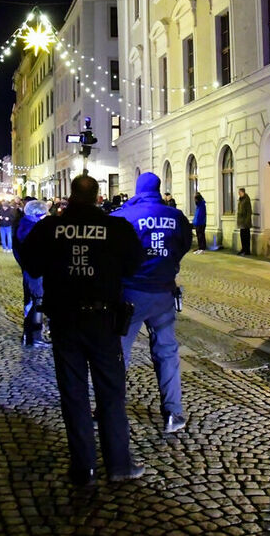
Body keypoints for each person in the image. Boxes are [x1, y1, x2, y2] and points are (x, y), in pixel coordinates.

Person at [21, 174, 146, 485]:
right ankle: (118, 463)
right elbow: (134, 265)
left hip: (65, 320)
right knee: (111, 393)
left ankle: (84, 468)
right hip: (103, 320)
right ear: (97, 196)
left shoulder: (49, 228)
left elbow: (31, 264)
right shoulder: (116, 228)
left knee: (73, 393)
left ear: (71, 197)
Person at [112, 173, 193, 434]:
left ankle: (110, 410)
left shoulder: (125, 215)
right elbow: (183, 245)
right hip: (164, 292)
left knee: (117, 353)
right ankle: (172, 413)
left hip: (131, 293)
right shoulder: (176, 216)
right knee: (167, 352)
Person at [13, 200, 49, 347]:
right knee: (37, 302)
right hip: (35, 271)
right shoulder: (33, 230)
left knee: (31, 302)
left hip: (29, 270)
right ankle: (34, 336)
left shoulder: (23, 226)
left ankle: (30, 335)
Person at [237, 188, 252, 256]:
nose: (239, 194)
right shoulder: (240, 200)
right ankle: (243, 249)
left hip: (245, 222)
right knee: (242, 236)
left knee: (246, 236)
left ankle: (247, 250)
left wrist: (247, 221)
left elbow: (249, 211)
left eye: (240, 192)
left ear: (243, 192)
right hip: (241, 221)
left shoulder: (246, 200)